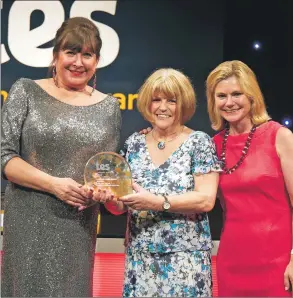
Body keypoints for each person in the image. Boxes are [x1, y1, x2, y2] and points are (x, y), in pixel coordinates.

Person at [1, 17, 121, 297]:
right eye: (71, 52)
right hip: (27, 224)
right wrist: (54, 184)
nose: (78, 62)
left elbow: (106, 173)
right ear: (55, 56)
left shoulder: (109, 107)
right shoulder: (26, 91)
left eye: (87, 54)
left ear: (97, 61)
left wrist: (102, 192)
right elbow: (4, 157)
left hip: (77, 228)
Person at [103, 68, 221, 297]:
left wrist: (157, 202)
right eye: (156, 100)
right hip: (141, 259)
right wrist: (107, 200)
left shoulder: (199, 142)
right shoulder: (134, 144)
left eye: (171, 101)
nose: (163, 107)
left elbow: (206, 200)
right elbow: (120, 207)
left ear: (184, 104)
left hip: (186, 260)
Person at [206, 60, 293, 296]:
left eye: (237, 94)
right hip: (232, 259)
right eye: (221, 95)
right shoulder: (214, 145)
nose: (229, 102)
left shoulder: (280, 136)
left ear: (252, 96)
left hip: (278, 260)